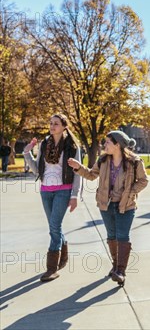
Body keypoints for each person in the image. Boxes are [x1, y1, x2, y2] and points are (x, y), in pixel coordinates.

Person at [68, 130, 148, 286]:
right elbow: (92, 175)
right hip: (106, 204)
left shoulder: (134, 161)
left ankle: (121, 271)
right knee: (111, 235)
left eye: (107, 142)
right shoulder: (103, 160)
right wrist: (79, 168)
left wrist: (131, 192)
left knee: (122, 236)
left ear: (117, 144)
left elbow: (143, 181)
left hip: (126, 205)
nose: (104, 145)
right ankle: (116, 266)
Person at [23, 114, 82, 282]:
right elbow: (37, 169)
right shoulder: (44, 144)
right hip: (45, 190)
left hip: (63, 190)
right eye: (50, 123)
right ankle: (63, 248)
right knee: (54, 227)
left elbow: (78, 172)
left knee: (54, 226)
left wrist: (75, 195)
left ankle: (51, 268)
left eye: (56, 123)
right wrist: (27, 153)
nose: (52, 126)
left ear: (64, 126)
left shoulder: (71, 146)